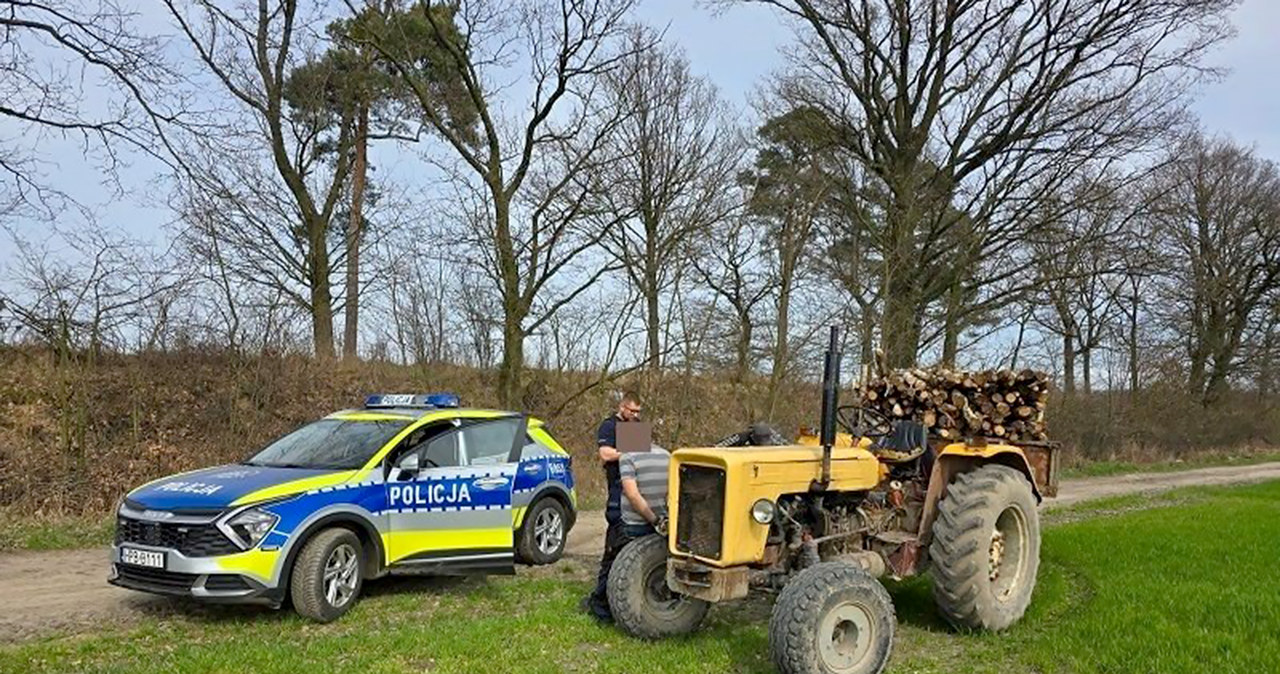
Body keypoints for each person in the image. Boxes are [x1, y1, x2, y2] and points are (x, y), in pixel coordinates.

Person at [582, 390, 643, 623]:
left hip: (636, 488)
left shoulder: (635, 426)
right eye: (632, 411)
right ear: (623, 407)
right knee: (613, 550)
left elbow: (643, 453)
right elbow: (605, 454)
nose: (635, 415)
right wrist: (627, 453)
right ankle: (600, 605)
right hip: (618, 491)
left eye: (638, 412)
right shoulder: (609, 426)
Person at [617, 444, 671, 540]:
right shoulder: (667, 455)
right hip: (664, 522)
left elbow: (633, 495)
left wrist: (654, 520)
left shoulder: (627, 456)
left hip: (636, 523)